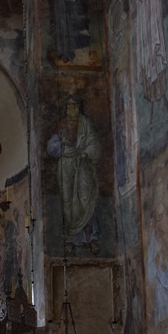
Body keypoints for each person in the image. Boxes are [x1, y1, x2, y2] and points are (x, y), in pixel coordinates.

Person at [46, 95, 102, 253]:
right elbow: (51, 147)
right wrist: (60, 143)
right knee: (68, 201)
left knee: (86, 198)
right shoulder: (62, 124)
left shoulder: (85, 123)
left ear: (79, 107)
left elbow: (94, 142)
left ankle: (92, 238)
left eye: (73, 105)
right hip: (66, 164)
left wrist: (85, 153)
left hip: (82, 163)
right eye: (68, 106)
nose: (70, 109)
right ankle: (71, 239)